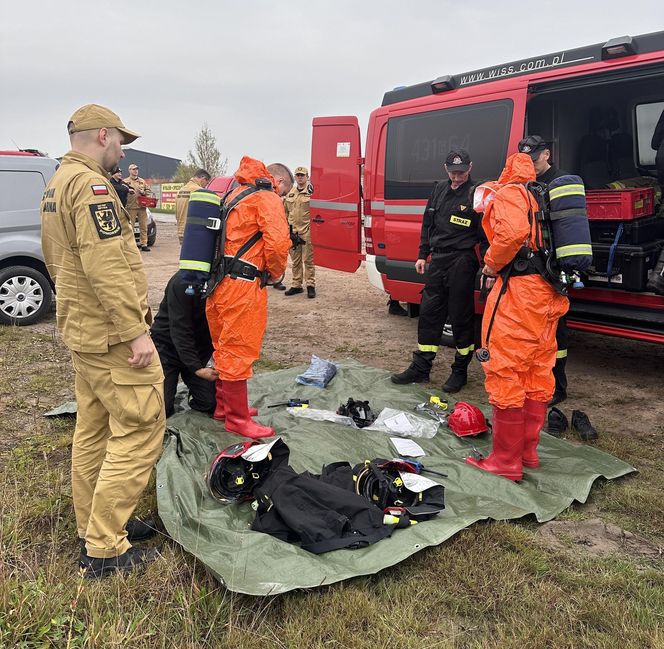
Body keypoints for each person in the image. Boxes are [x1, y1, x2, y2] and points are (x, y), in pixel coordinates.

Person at [40, 103, 165, 578]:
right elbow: (107, 266)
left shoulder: (57, 183)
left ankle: (92, 523)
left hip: (83, 332)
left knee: (93, 430)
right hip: (112, 336)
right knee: (139, 428)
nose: (121, 150)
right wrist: (135, 333)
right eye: (120, 142)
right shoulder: (92, 187)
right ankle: (105, 545)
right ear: (103, 135)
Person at [466, 152, 569, 481]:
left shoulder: (510, 192)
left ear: (506, 172)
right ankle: (528, 452)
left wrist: (491, 263)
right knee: (538, 370)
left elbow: (510, 235)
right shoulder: (542, 195)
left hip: (520, 294)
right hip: (548, 293)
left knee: (505, 369)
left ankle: (506, 461)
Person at [205, 157, 291, 439]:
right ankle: (237, 419)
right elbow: (278, 243)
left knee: (223, 347)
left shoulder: (234, 193)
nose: (282, 197)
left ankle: (224, 407)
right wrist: (275, 274)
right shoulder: (266, 197)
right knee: (238, 351)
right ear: (278, 182)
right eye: (285, 192)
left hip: (218, 284)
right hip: (242, 286)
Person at [391, 149, 484, 394]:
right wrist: (422, 254)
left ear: (470, 167)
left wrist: (487, 265)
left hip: (462, 261)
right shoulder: (439, 189)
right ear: (445, 169)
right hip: (438, 259)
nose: (457, 177)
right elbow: (427, 224)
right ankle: (421, 368)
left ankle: (460, 371)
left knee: (460, 317)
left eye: (461, 172)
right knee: (430, 313)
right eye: (453, 172)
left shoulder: (477, 193)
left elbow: (486, 233)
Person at [518, 135, 572, 406]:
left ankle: (558, 387)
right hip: (532, 268)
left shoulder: (561, 182)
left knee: (555, 332)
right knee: (535, 332)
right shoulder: (525, 184)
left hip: (554, 268)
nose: (530, 163)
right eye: (525, 158)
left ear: (547, 155)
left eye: (534, 158)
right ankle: (537, 385)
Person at [150, 271, 217, 418]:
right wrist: (197, 368)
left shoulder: (224, 282)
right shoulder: (182, 282)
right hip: (167, 348)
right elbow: (180, 330)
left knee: (209, 403)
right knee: (161, 410)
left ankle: (192, 389)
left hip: (199, 350)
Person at [283, 166, 316, 298]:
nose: (300, 177)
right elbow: (286, 212)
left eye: (302, 175)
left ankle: (310, 285)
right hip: (293, 232)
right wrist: (287, 229)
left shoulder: (312, 192)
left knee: (308, 260)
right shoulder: (291, 193)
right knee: (295, 261)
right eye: (298, 175)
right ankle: (296, 285)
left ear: (307, 177)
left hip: (307, 231)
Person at [175, 168, 211, 244]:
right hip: (192, 231)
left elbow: (176, 213)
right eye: (206, 183)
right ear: (203, 178)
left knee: (185, 255)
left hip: (181, 231)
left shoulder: (181, 190)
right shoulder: (199, 191)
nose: (205, 186)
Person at [124, 162, 153, 252]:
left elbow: (149, 192)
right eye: (133, 169)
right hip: (131, 207)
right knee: (130, 227)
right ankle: (131, 245)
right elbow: (121, 193)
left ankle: (144, 244)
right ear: (129, 170)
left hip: (142, 207)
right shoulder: (125, 181)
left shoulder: (142, 181)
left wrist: (144, 192)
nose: (135, 171)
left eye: (137, 169)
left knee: (143, 227)